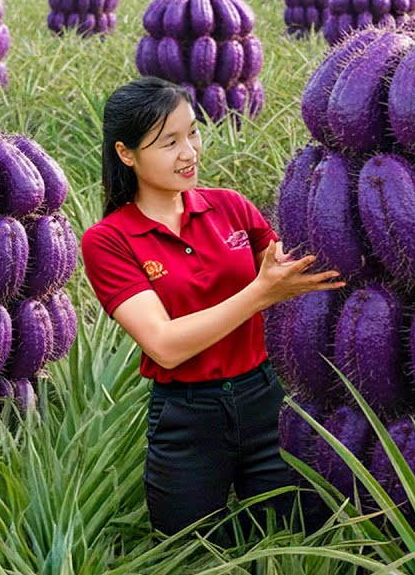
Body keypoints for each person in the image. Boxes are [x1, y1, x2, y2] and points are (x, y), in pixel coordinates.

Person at [80, 77, 344, 545]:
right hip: (188, 416)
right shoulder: (109, 240)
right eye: (169, 143)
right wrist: (260, 295)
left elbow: (298, 267)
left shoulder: (231, 208)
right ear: (126, 154)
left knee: (298, 537)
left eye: (193, 133)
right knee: (187, 550)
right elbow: (164, 345)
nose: (189, 153)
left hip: (267, 400)